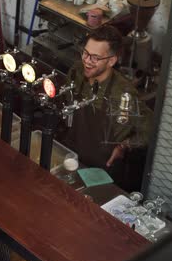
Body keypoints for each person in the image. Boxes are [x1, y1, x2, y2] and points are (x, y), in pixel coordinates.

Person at [64, 25, 153, 190]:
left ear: (112, 60)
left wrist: (124, 146)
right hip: (72, 156)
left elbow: (150, 129)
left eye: (95, 58)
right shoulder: (76, 72)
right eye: (85, 53)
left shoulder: (123, 94)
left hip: (101, 171)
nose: (87, 61)